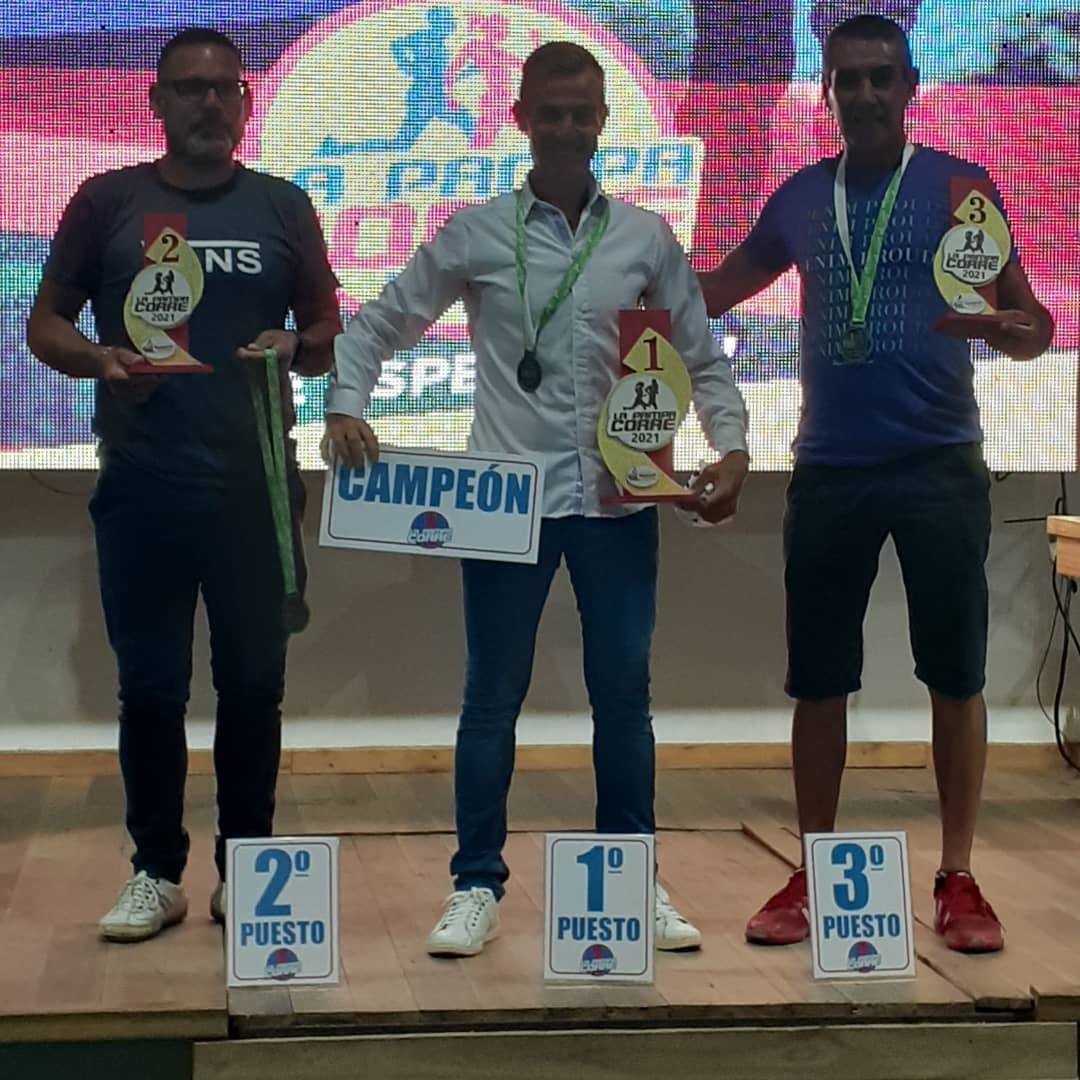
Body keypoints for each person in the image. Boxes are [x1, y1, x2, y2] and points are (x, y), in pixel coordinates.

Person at [325, 41, 750, 958]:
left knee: (624, 698)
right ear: (518, 119)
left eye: (580, 112)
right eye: (548, 111)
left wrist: (734, 445)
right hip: (505, 505)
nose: (564, 126)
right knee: (491, 699)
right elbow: (380, 321)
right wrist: (346, 402)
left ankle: (629, 875)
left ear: (602, 122)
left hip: (617, 503)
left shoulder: (645, 237)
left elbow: (700, 352)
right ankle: (475, 884)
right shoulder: (477, 232)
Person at [697, 14, 1054, 953]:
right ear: (826, 92)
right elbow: (713, 294)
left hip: (941, 466)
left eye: (879, 77)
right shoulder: (799, 199)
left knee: (956, 676)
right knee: (819, 682)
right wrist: (620, 292)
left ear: (909, 86)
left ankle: (959, 877)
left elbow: (1033, 323)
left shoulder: (962, 189)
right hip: (830, 470)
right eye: (846, 79)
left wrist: (1020, 334)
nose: (863, 94)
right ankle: (815, 869)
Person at [26, 27, 342, 942]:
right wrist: (100, 360)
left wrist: (295, 344)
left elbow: (328, 329)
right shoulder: (107, 201)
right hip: (143, 488)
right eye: (189, 88)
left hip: (257, 493)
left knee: (253, 688)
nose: (208, 103)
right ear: (156, 101)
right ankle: (155, 872)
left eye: (223, 89)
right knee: (152, 691)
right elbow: (45, 324)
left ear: (245, 102)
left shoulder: (282, 205)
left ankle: (248, 869)